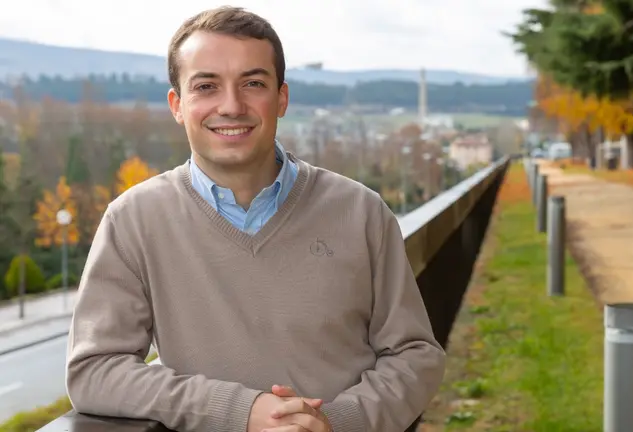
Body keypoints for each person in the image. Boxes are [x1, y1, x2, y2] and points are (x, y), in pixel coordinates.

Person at [65, 6, 446, 432]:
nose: (231, 106)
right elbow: (94, 371)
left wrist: (332, 424)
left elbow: (415, 356)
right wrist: (239, 411)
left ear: (281, 98)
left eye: (253, 83)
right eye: (206, 86)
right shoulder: (134, 220)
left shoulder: (361, 212)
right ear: (177, 105)